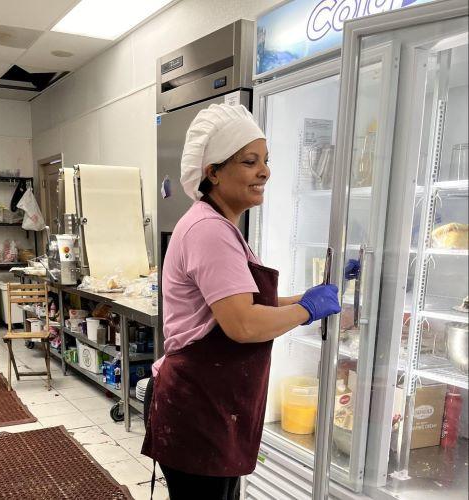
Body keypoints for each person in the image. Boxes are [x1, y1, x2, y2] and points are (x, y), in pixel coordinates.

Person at [142, 103, 341, 500]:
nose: (264, 171)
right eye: (250, 161)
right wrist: (307, 310)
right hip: (199, 405)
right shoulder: (209, 231)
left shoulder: (219, 226)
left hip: (208, 403)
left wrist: (306, 299)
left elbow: (237, 304)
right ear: (213, 171)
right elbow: (243, 324)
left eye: (265, 161)